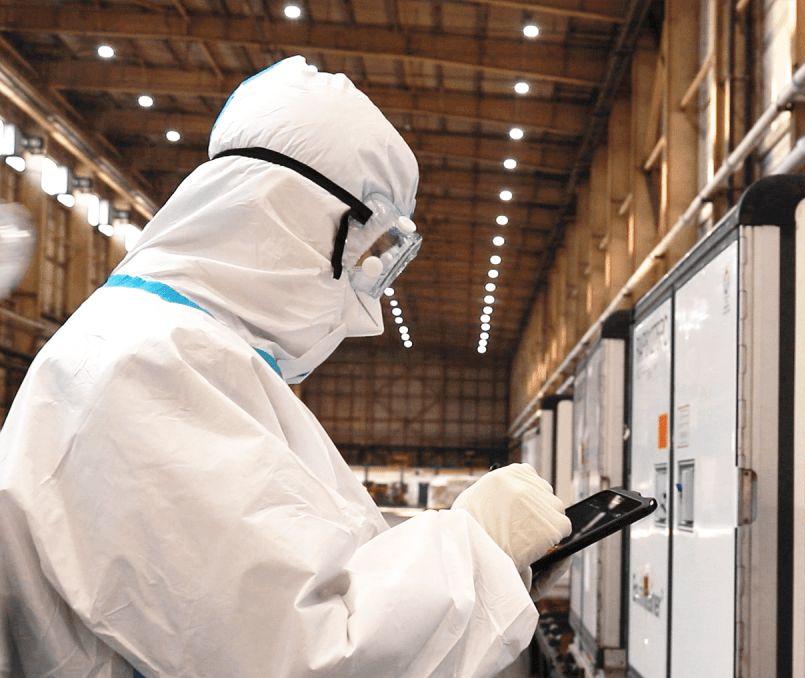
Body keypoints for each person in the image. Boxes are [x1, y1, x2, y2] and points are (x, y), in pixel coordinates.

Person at [0, 56, 571, 677]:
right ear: (302, 217)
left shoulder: (185, 354)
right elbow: (301, 652)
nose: (365, 308)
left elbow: (304, 575)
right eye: (362, 254)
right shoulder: (147, 364)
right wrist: (475, 548)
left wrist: (494, 566)